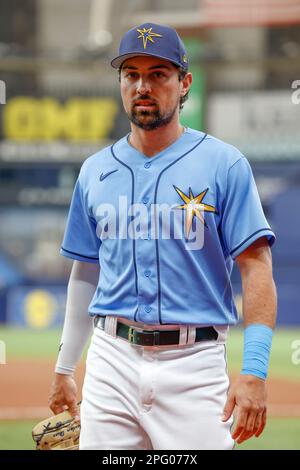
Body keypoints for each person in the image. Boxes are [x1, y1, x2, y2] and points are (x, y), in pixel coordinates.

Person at [49, 22, 277, 450]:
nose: (142, 86)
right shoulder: (95, 171)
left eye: (158, 74)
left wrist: (255, 371)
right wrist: (65, 367)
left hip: (194, 363)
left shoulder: (224, 164)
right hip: (111, 359)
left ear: (184, 83)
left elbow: (256, 267)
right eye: (131, 74)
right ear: (120, 82)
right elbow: (85, 272)